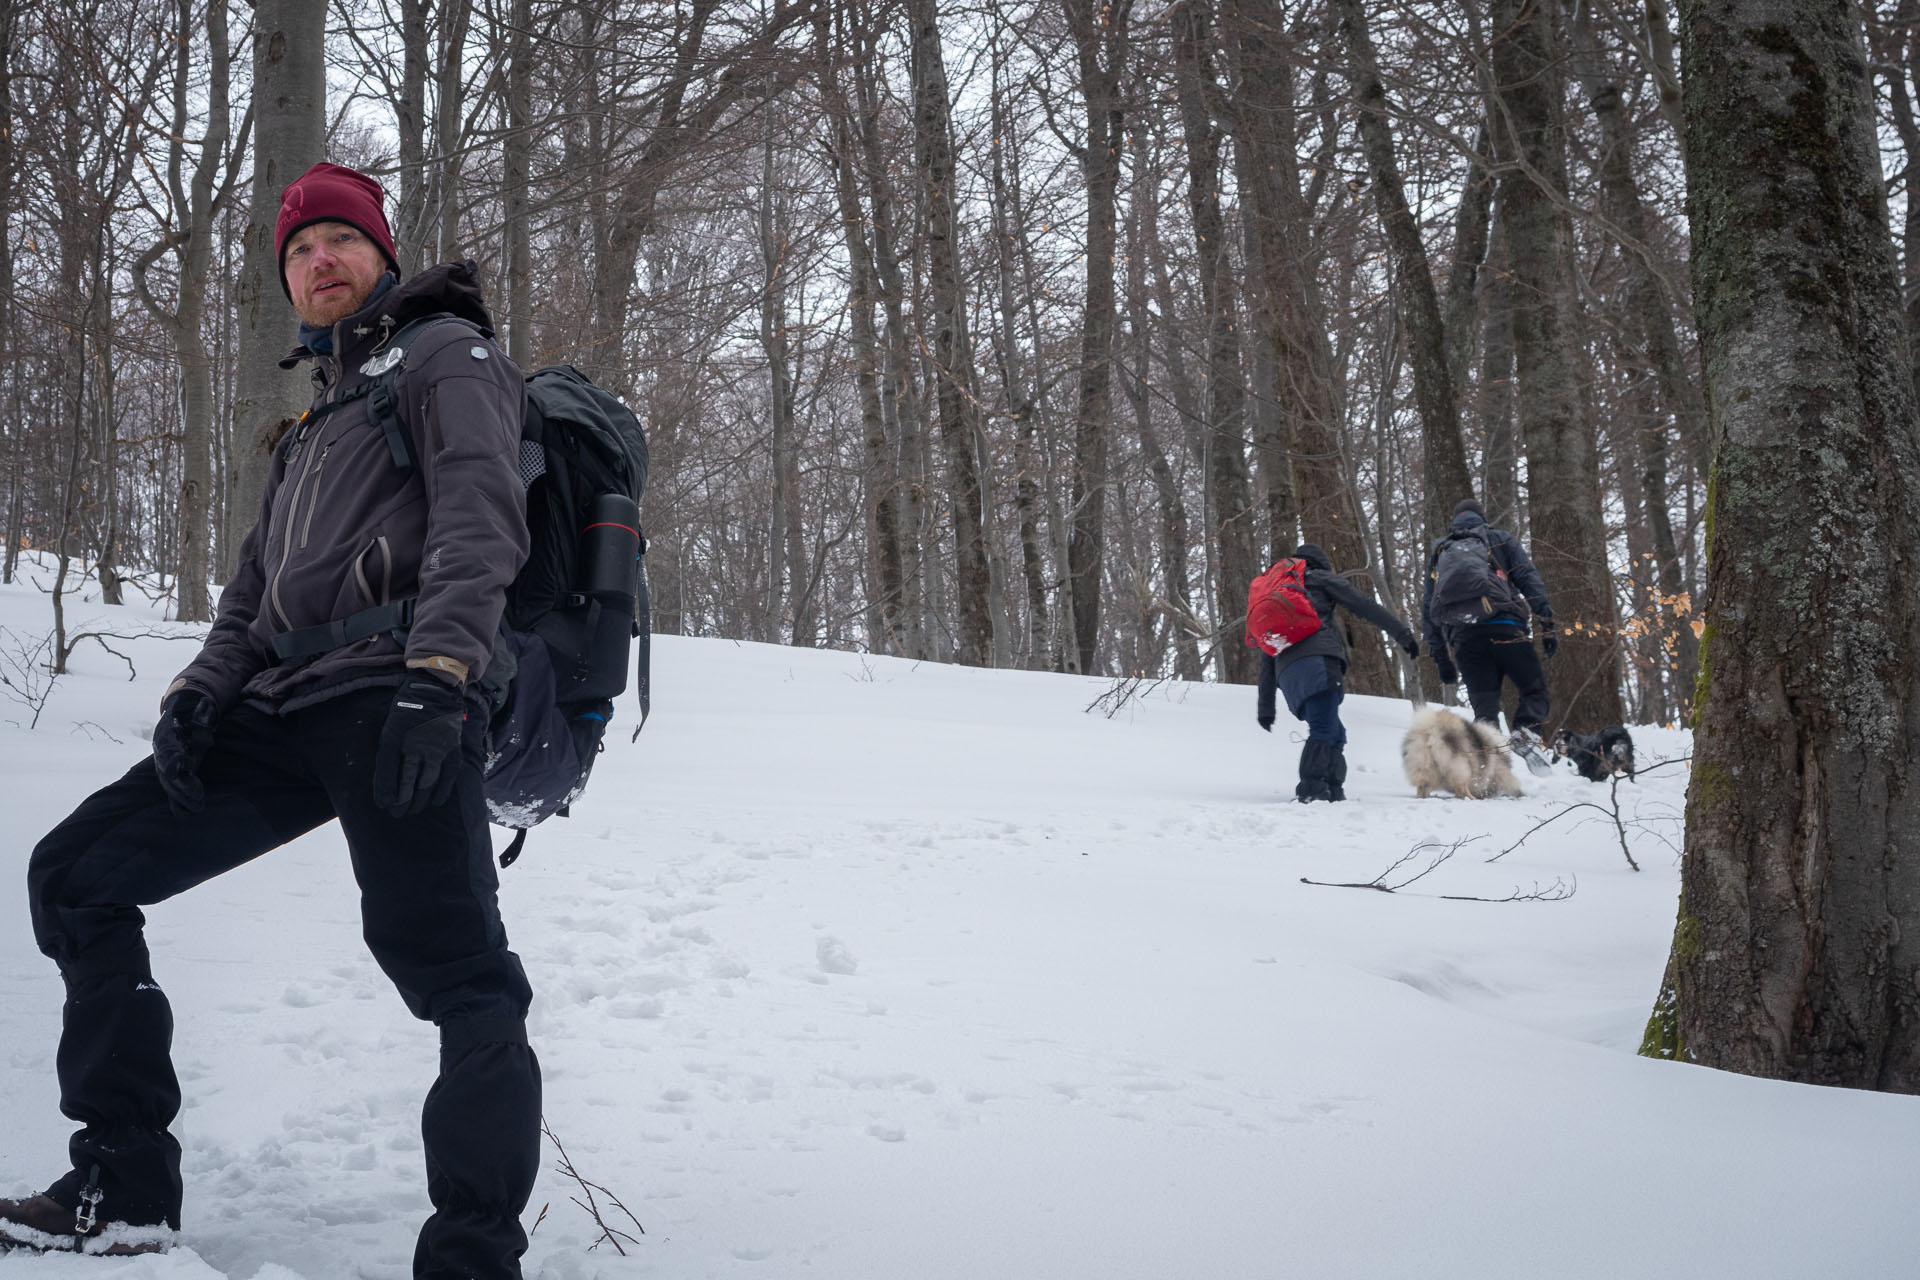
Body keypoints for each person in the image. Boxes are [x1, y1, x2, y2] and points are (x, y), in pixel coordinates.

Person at [3, 162, 540, 1276]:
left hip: (395, 695)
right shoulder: (316, 421)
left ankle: (474, 1252)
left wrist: (439, 676)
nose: (318, 261)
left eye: (340, 241)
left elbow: (483, 521)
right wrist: (197, 694)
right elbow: (251, 591)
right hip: (280, 706)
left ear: (383, 256)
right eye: (299, 251)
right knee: (77, 873)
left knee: (459, 974)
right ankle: (123, 1184)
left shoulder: (447, 358)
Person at [1256, 543, 1420, 802]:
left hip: (1288, 674)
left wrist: (1265, 707)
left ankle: (1333, 790)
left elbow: (1266, 654)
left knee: (1335, 731)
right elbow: (1363, 605)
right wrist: (1402, 634)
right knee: (1323, 728)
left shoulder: (1278, 596)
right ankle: (1311, 791)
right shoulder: (1320, 578)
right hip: (1319, 662)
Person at [1420, 498, 1556, 759]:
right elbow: (1529, 580)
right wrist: (1547, 624)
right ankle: (1524, 733)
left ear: (1455, 520)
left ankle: (1487, 773)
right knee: (1534, 690)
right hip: (1507, 630)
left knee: (1485, 714)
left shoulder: (1441, 550)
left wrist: (1440, 658)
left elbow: (1429, 605)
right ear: (1482, 518)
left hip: (1465, 639)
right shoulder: (1500, 539)